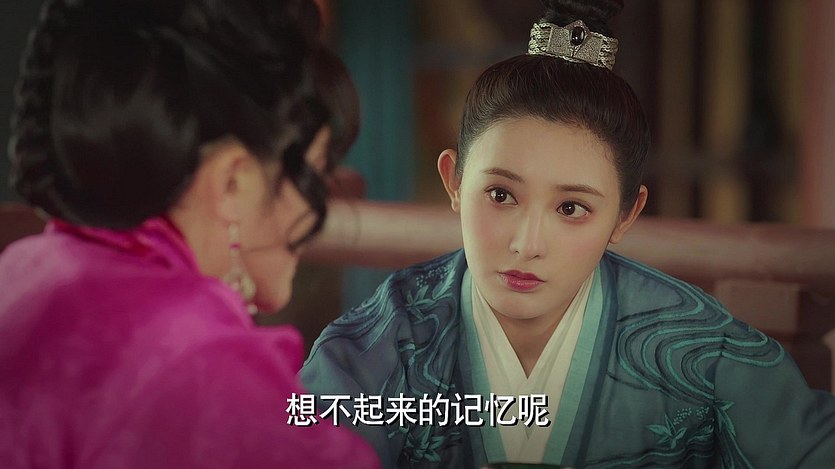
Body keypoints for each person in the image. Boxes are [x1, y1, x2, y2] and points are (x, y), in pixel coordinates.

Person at [300, 0, 835, 467]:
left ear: (626, 214)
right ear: (454, 181)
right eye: (501, 195)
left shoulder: (702, 352)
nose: (527, 244)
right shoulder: (381, 346)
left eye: (572, 208)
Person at [0, 0, 380, 467]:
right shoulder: (199, 362)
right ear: (233, 181)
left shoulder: (22, 268)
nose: (319, 203)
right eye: (316, 171)